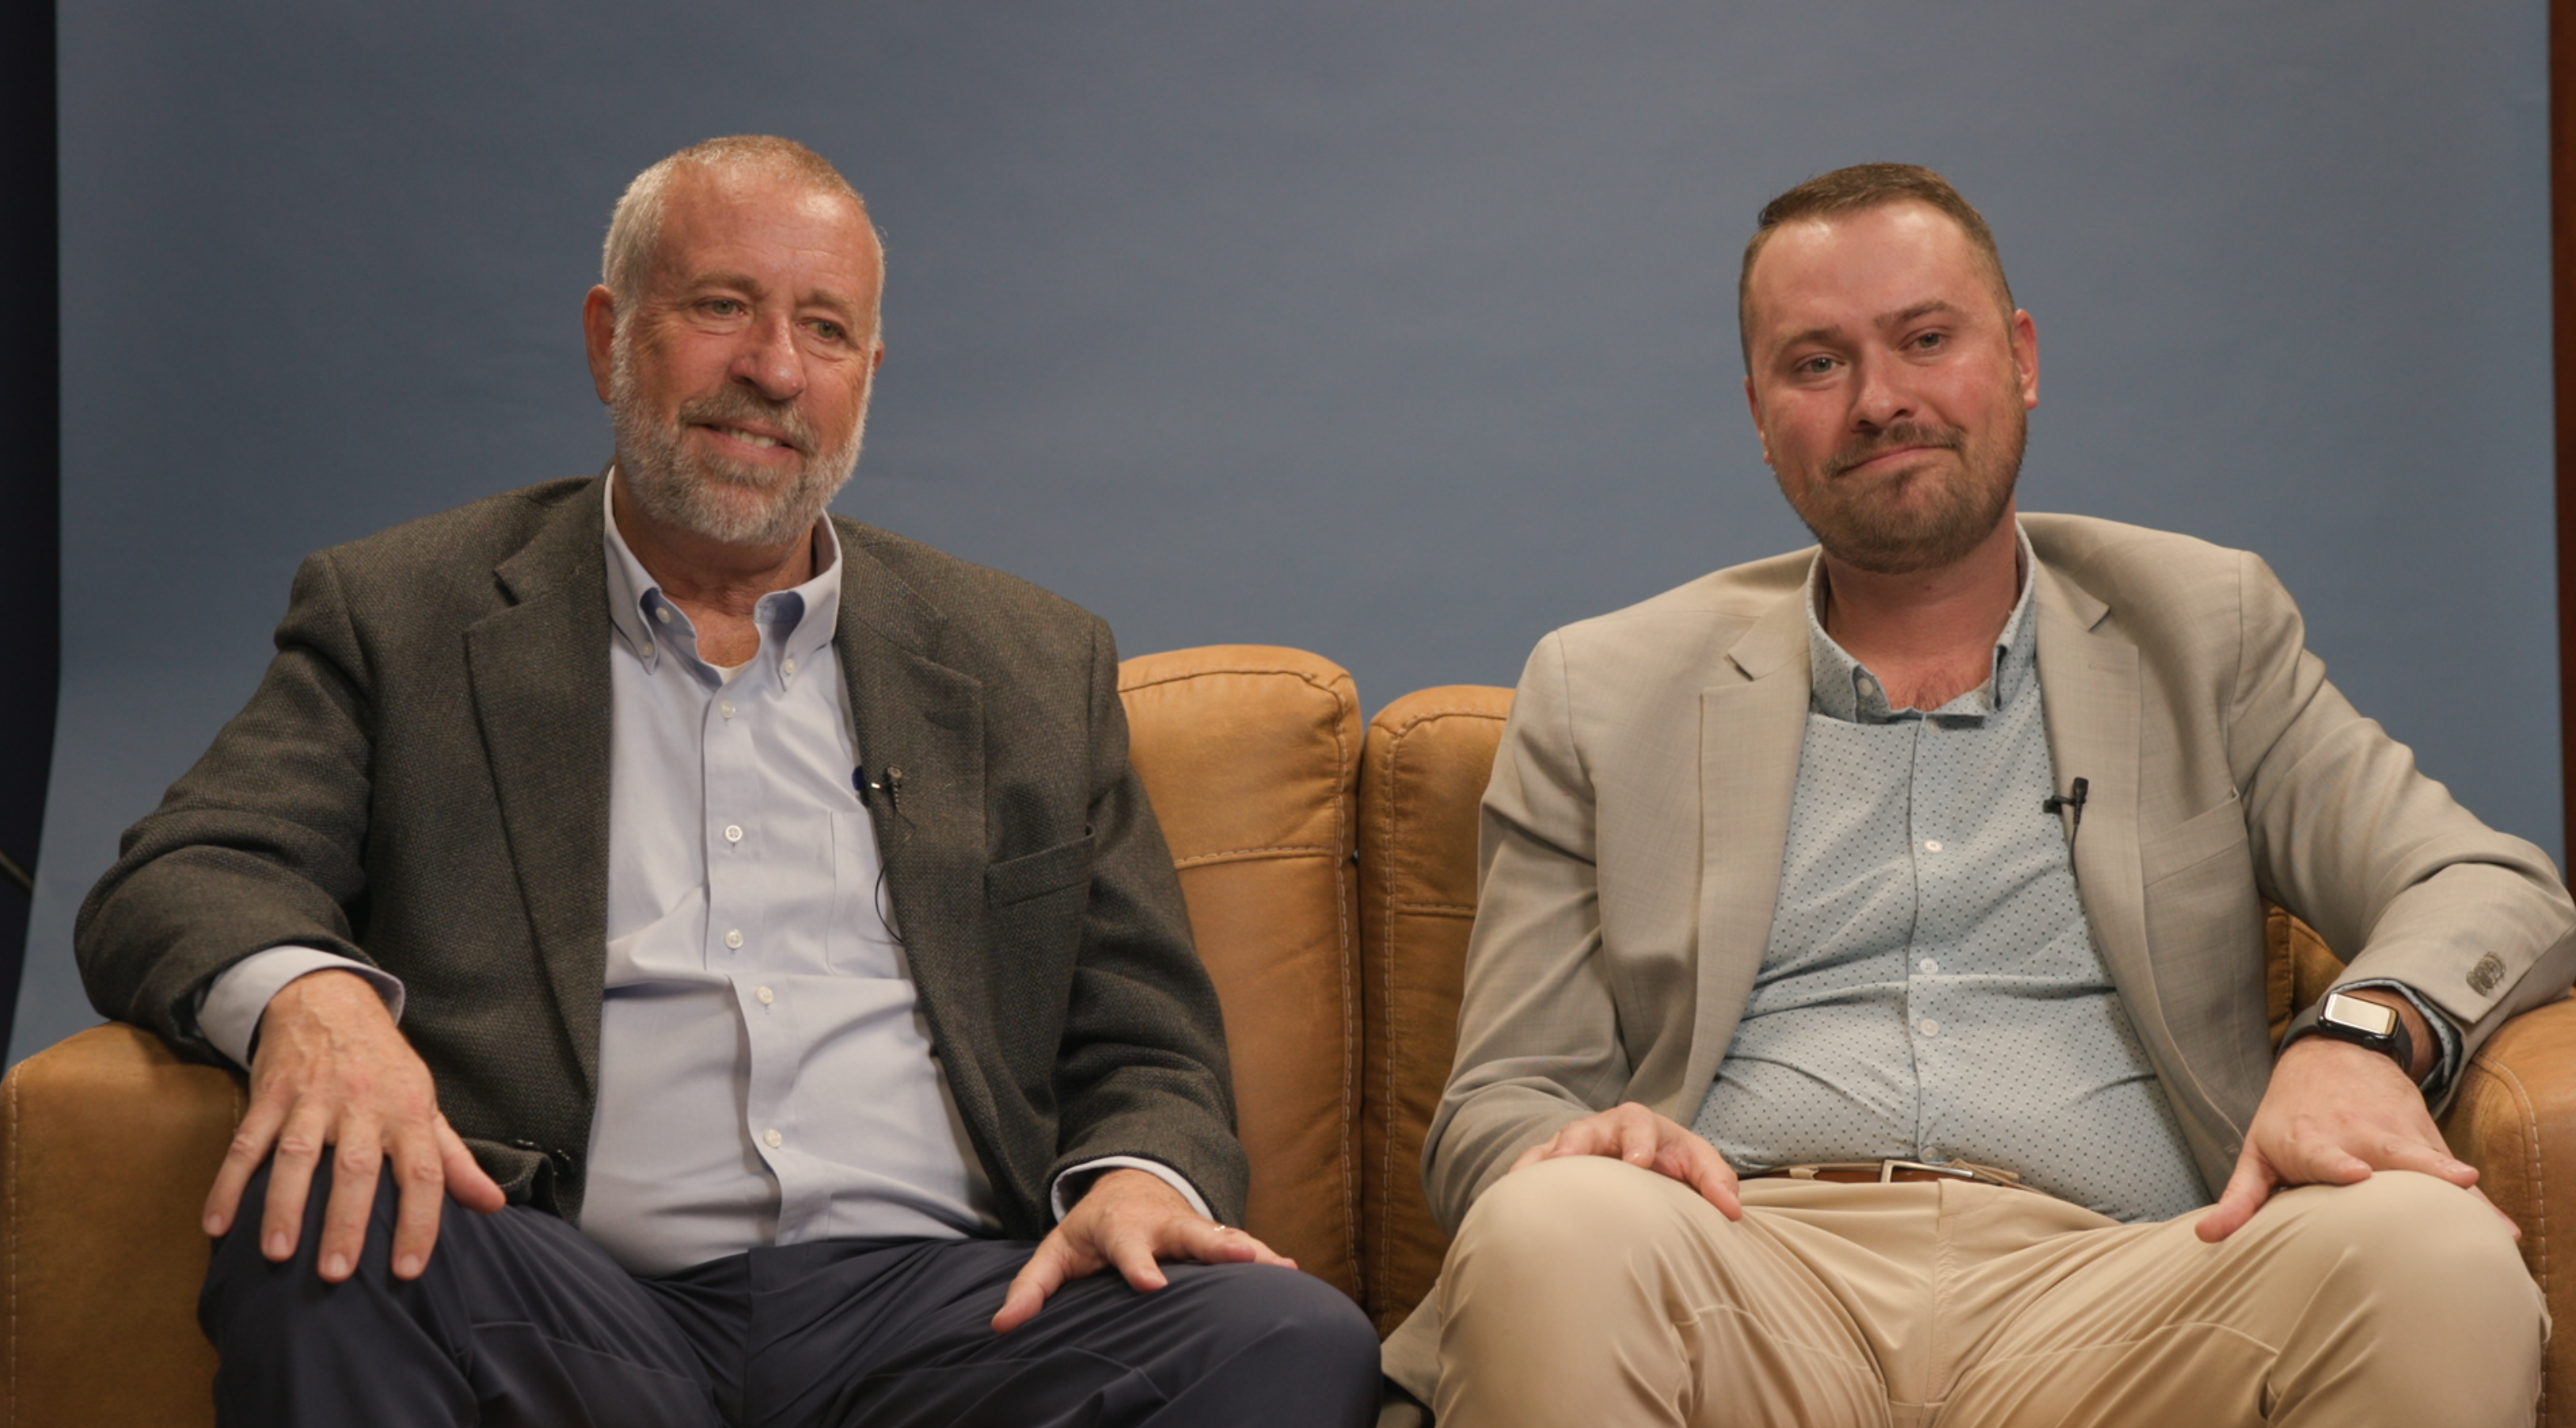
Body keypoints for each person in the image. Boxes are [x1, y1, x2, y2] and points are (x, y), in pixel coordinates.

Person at [76, 135, 1380, 1428]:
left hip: (951, 1317)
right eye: (721, 309)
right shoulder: (405, 614)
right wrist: (320, 1004)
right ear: (609, 335)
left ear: (865, 379)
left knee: (1282, 1337)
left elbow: (1143, 1035)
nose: (770, 370)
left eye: (823, 331)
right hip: (563, 1287)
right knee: (327, 1230)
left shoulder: (1031, 662)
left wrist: (1141, 1179)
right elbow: (193, 867)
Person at [1380, 163, 2576, 1427]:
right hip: (1731, 1266)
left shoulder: (2202, 630)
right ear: (1757, 411)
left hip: (2135, 1291)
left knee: (2435, 1258)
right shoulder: (1603, 688)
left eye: (1924, 339)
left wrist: (2360, 1037)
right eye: (1815, 364)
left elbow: (2486, 882)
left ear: (2018, 358)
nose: (1880, 400)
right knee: (1554, 1224)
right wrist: (1583, 1151)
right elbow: (1495, 1103)